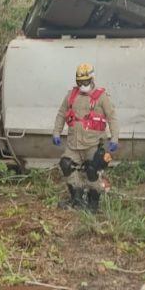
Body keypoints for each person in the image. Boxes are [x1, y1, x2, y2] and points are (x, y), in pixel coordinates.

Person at [52, 63, 120, 212]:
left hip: (93, 144)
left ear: (91, 79)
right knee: (66, 164)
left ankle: (93, 203)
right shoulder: (71, 95)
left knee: (92, 170)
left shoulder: (102, 97)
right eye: (79, 82)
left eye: (85, 81)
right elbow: (61, 114)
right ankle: (77, 198)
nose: (82, 84)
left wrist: (115, 138)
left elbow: (112, 117)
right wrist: (56, 132)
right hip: (73, 144)